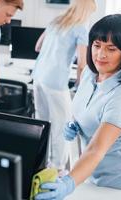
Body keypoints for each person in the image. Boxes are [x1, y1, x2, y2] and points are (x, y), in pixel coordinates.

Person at [35, 14, 121, 200]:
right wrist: (75, 124)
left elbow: (97, 149)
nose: (100, 55)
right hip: (91, 169)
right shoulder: (89, 72)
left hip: (119, 178)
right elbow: (86, 108)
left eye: (111, 49)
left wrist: (69, 182)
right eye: (96, 45)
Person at [32, 0, 96, 171]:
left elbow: (38, 47)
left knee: (42, 123)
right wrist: (80, 84)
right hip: (55, 81)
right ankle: (57, 168)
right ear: (87, 11)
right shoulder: (81, 27)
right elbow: (83, 63)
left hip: (38, 77)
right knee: (62, 125)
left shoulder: (56, 21)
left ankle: (39, 162)